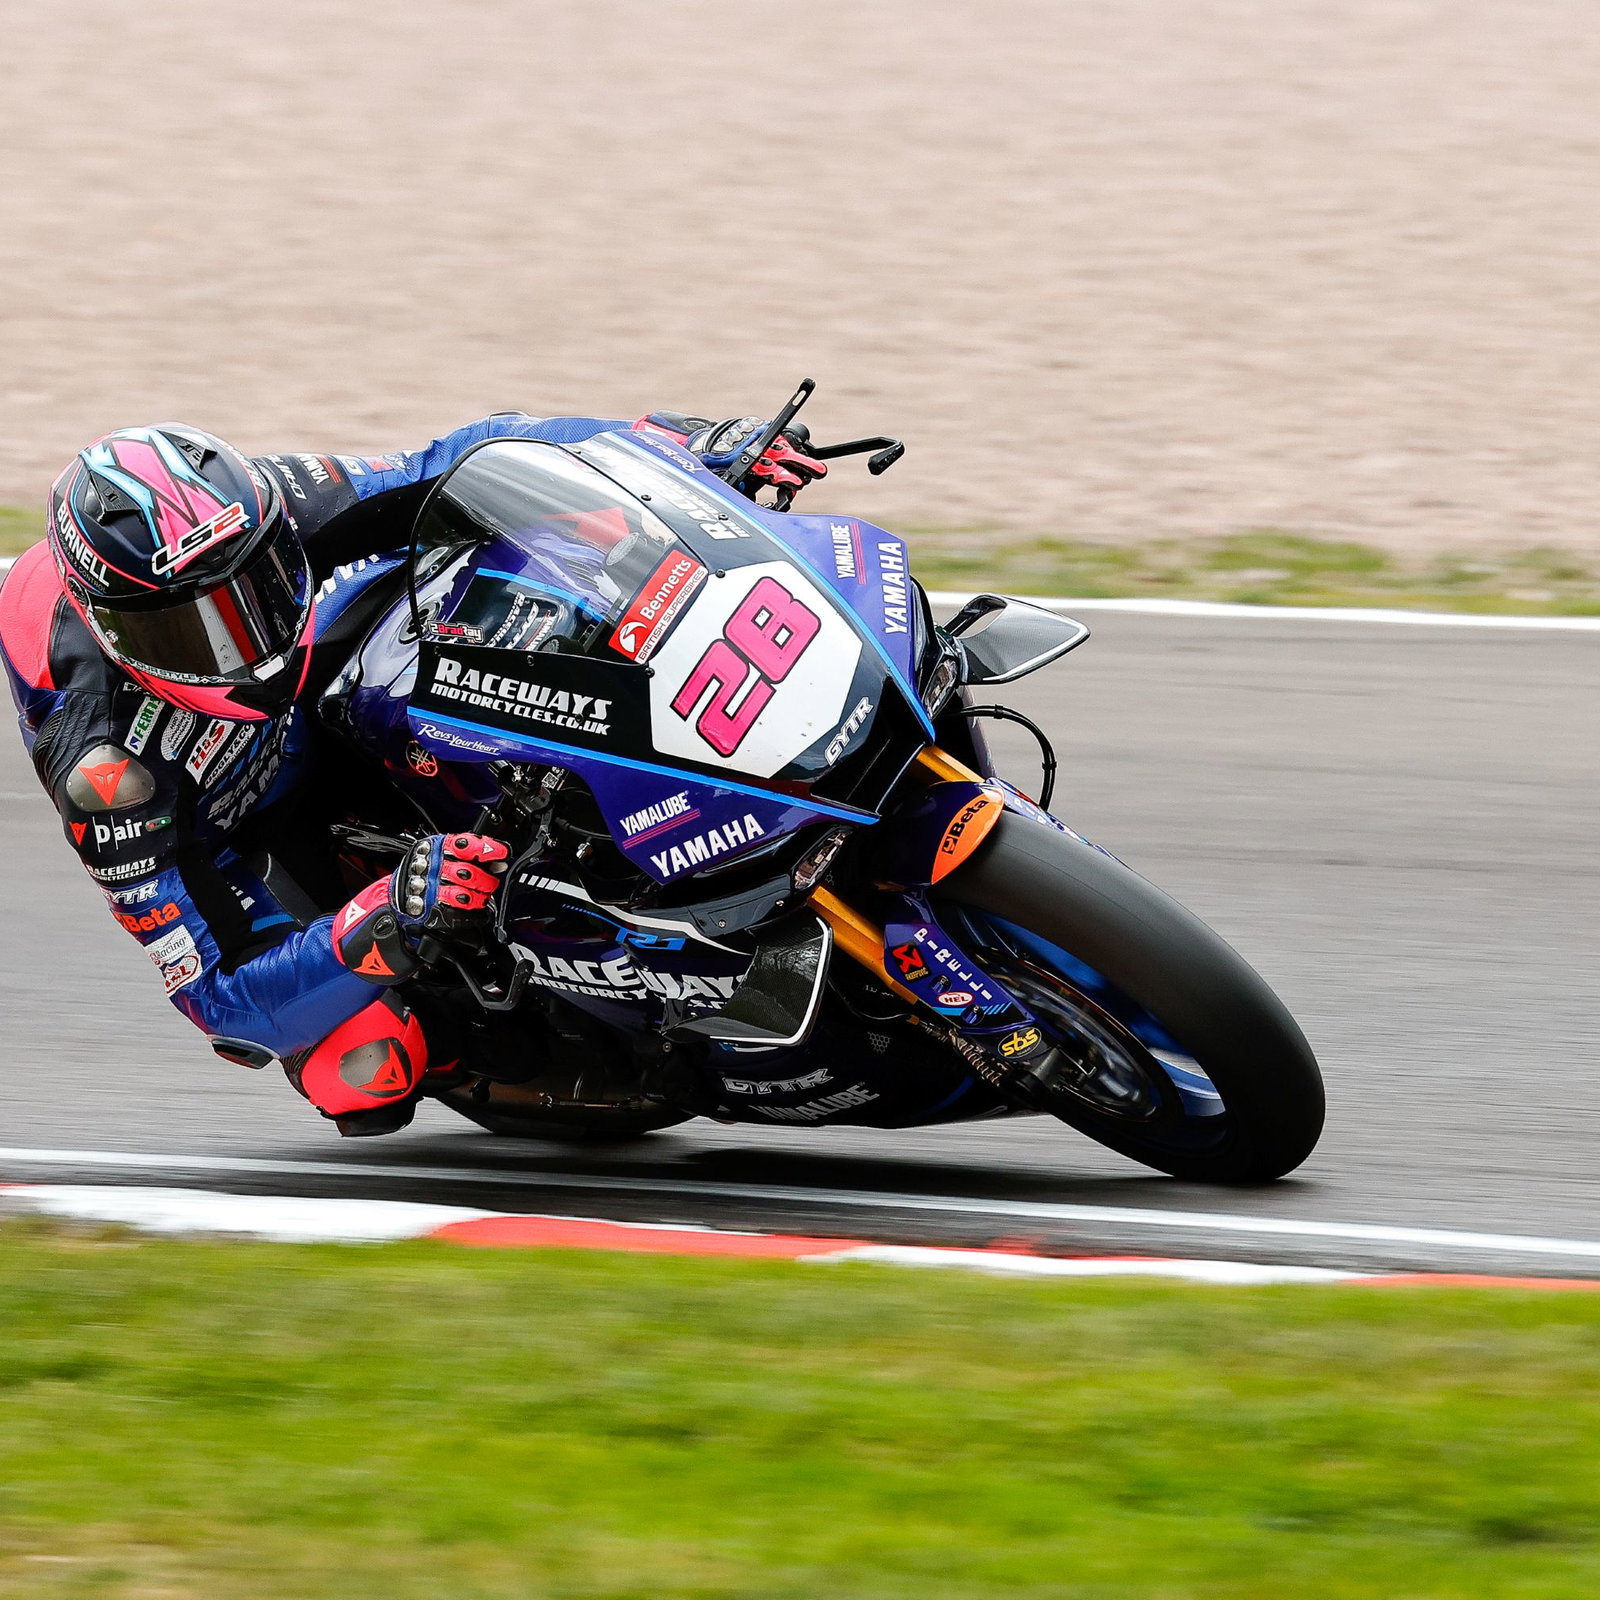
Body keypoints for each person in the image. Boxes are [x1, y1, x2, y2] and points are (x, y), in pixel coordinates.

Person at [0, 409, 827, 1135]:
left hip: (333, 663)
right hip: (242, 814)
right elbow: (225, 1008)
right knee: (360, 1070)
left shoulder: (273, 502)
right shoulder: (108, 773)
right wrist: (389, 912)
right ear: (111, 631)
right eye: (191, 634)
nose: (241, 649)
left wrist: (678, 447)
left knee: (512, 564)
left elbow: (474, 454)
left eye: (256, 592)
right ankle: (508, 1038)